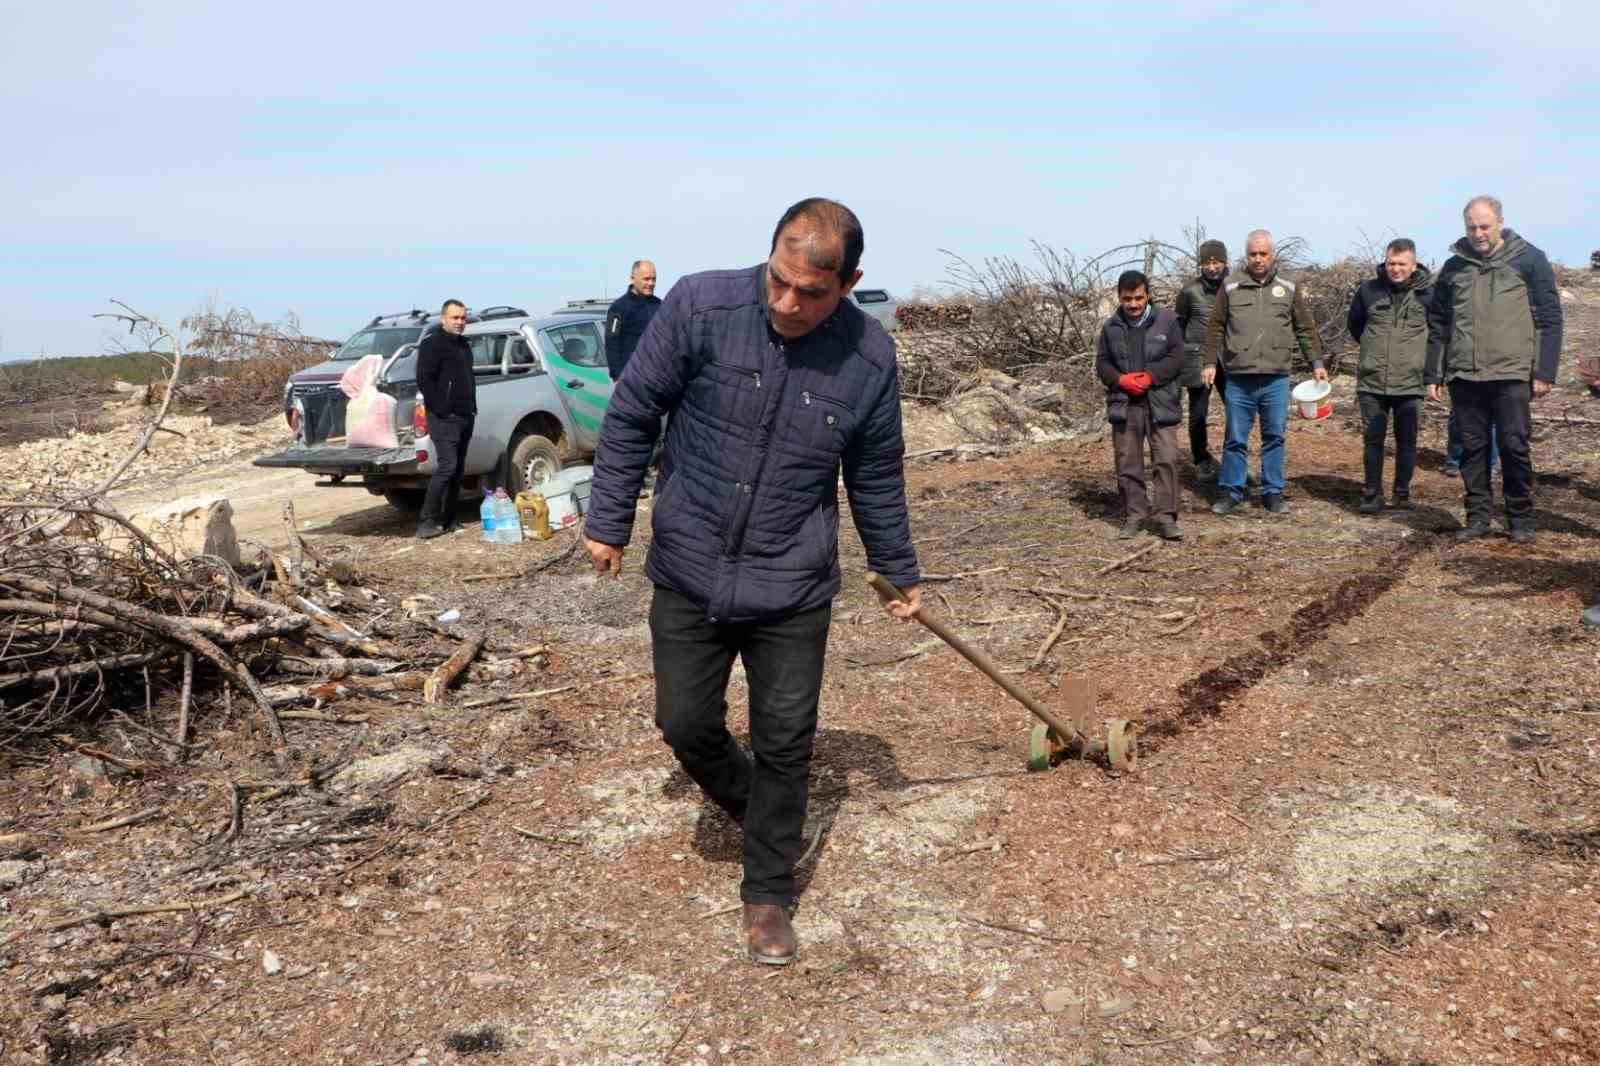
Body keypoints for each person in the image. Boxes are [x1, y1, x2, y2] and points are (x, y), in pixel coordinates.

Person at [580, 198, 922, 966]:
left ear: (850, 281)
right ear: (767, 257)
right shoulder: (701, 304)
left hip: (792, 580)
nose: (788, 303)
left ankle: (768, 892)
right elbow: (633, 411)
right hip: (690, 561)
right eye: (779, 281)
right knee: (685, 722)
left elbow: (875, 475)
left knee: (785, 740)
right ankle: (761, 808)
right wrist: (609, 520)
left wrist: (896, 568)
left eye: (811, 292)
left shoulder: (868, 358)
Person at [1425, 195, 1563, 543]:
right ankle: (1478, 517)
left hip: (1512, 372)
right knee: (1473, 448)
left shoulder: (1529, 259)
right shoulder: (1454, 267)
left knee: (1514, 444)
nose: (1478, 233)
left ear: (1500, 222)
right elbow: (1439, 321)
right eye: (1471, 226)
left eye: (1484, 226)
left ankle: (1520, 517)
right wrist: (1434, 372)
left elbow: (1549, 318)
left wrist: (1544, 370)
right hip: (1465, 374)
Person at [1202, 230, 1327, 515]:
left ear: (1272, 254)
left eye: (1263, 254)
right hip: (1239, 378)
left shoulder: (1288, 286)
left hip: (1276, 378)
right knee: (1235, 437)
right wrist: (1210, 363)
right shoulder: (1231, 286)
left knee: (1275, 436)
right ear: (1246, 255)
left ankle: (1272, 492)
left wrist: (1316, 364)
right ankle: (1231, 492)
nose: (1258, 259)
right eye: (1252, 254)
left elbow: (1304, 328)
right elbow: (1215, 327)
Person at [1095, 270, 1186, 540]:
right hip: (1125, 404)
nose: (1133, 304)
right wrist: (1121, 380)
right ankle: (1134, 515)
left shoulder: (1168, 321)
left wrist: (1151, 376)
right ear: (1119, 298)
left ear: (1147, 295)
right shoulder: (1110, 327)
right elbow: (1102, 364)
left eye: (1138, 298)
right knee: (1127, 462)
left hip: (1160, 402)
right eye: (1127, 299)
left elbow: (1177, 357)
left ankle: (1166, 517)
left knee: (1167, 459)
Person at [1346, 238, 1432, 513]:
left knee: (1407, 442)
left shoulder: (1429, 294)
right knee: (1373, 441)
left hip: (1411, 381)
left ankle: (1402, 494)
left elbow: (1439, 335)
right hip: (1373, 382)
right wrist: (1376, 354)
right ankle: (1372, 494)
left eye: (1401, 264)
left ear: (1414, 264)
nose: (1395, 269)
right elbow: (1356, 326)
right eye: (1391, 263)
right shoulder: (1368, 290)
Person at [414, 299, 474, 539]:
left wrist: (471, 407)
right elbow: (424, 380)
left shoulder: (464, 345)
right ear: (443, 319)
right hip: (443, 417)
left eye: (462, 318)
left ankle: (449, 520)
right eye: (455, 318)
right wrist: (441, 407)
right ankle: (426, 521)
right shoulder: (433, 344)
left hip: (465, 415)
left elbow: (467, 378)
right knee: (447, 467)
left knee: (458, 469)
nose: (460, 322)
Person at [1174, 240, 1229, 479]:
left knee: (1237, 410)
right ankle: (1201, 459)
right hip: (1197, 358)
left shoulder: (1234, 288)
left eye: (1216, 262)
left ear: (1224, 263)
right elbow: (1179, 326)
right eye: (1207, 262)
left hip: (1228, 358)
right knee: (1198, 412)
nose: (1212, 267)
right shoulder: (1189, 292)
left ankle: (1233, 459)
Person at [604, 260, 662, 382]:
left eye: (654, 279)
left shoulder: (660, 306)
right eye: (646, 279)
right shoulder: (618, 308)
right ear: (632, 278)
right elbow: (611, 343)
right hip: (631, 378)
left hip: (658, 376)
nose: (651, 283)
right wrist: (617, 376)